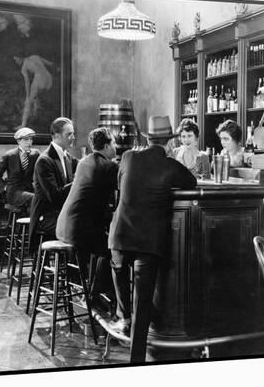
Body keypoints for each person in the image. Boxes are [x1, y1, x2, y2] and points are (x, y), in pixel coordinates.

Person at [108, 115, 197, 363]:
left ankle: (120, 316)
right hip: (147, 243)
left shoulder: (128, 157)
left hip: (119, 238)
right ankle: (137, 359)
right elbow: (191, 182)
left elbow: (120, 184)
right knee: (143, 306)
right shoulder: (170, 166)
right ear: (169, 142)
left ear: (146, 139)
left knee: (118, 275)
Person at [56, 127, 119, 309]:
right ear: (107, 146)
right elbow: (125, 190)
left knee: (104, 246)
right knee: (111, 250)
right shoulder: (109, 166)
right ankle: (93, 296)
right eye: (113, 143)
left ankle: (97, 293)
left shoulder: (85, 161)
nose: (115, 147)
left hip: (65, 225)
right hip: (79, 229)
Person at [30, 117, 77, 243]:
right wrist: (78, 182)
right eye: (69, 134)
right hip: (46, 217)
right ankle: (76, 262)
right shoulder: (44, 161)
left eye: (73, 133)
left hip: (61, 214)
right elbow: (54, 197)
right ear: (57, 135)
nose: (73, 137)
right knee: (81, 228)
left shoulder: (68, 157)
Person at [0, 127, 40, 209]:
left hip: (29, 190)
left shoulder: (35, 154)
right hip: (14, 192)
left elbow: (41, 172)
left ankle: (34, 221)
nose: (29, 142)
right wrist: (4, 187)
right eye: (26, 140)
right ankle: (33, 221)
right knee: (34, 198)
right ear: (18, 141)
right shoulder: (9, 155)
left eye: (31, 139)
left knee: (44, 198)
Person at [14, 55, 54, 128]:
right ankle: (36, 106)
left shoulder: (24, 68)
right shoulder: (35, 56)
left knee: (28, 102)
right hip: (49, 79)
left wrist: (27, 95)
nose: (16, 62)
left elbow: (27, 82)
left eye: (16, 59)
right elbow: (50, 64)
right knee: (35, 97)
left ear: (20, 57)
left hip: (40, 80)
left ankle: (23, 124)